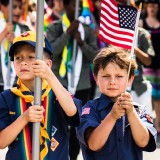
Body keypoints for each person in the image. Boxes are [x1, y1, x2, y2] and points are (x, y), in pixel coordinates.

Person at [0, 31, 81, 160]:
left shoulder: (58, 92)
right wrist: (24, 118)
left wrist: (49, 75)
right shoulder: (6, 97)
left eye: (31, 57)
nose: (23, 62)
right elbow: (1, 143)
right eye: (18, 58)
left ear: (47, 64)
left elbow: (72, 112)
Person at [76, 46, 157, 160]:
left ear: (130, 79)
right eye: (105, 76)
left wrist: (131, 113)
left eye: (119, 76)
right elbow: (94, 144)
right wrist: (112, 116)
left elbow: (143, 142)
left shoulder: (139, 110)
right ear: (96, 78)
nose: (112, 82)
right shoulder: (89, 109)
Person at [46, 0, 98, 159]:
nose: (75, 9)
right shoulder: (55, 28)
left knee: (77, 124)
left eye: (78, 7)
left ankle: (73, 155)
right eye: (72, 5)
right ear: (65, 6)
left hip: (81, 84)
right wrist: (67, 33)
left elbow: (95, 57)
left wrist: (80, 42)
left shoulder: (87, 30)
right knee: (58, 123)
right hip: (59, 84)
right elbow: (51, 51)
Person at [139, 0, 160, 133]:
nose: (152, 8)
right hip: (146, 64)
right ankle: (149, 121)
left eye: (155, 5)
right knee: (150, 93)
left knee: (158, 94)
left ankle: (158, 123)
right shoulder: (141, 23)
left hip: (159, 64)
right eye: (150, 5)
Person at [0, 0, 30, 92]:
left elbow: (29, 54)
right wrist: (4, 33)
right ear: (3, 7)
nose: (18, 11)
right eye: (14, 7)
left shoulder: (24, 30)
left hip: (17, 84)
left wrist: (15, 42)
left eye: (20, 7)